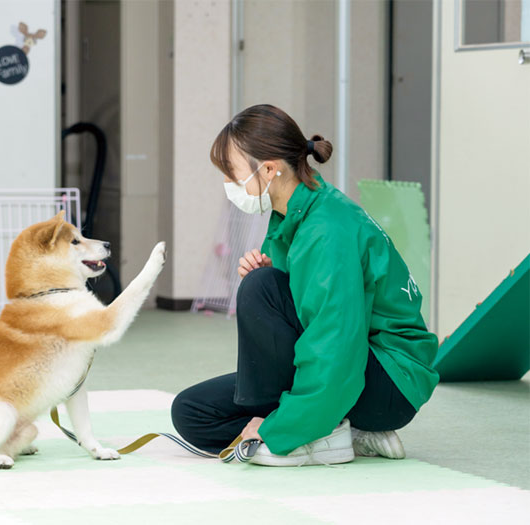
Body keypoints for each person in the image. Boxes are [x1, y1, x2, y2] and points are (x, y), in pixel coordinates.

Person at [171, 104, 439, 466]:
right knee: (192, 413)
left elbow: (337, 348)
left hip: (389, 382)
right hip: (354, 363)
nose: (228, 186)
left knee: (261, 288)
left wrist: (278, 431)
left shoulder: (326, 229)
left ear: (268, 169)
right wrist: (269, 275)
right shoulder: (292, 213)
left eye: (231, 174)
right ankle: (342, 426)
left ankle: (322, 431)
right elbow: (304, 309)